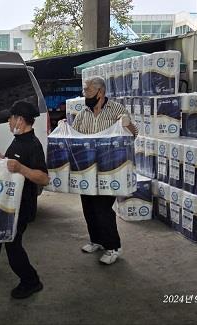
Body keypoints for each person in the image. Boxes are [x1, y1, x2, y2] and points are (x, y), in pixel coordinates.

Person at [0, 101, 49, 299]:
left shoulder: (32, 145)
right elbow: (12, 166)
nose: (8, 121)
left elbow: (43, 177)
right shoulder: (18, 140)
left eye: (11, 117)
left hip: (21, 207)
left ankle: (31, 281)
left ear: (20, 120)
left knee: (12, 246)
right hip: (6, 202)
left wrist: (22, 169)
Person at [72, 76, 137, 265]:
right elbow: (75, 137)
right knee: (89, 207)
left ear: (101, 92)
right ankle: (96, 240)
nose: (85, 94)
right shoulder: (83, 113)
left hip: (109, 170)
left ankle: (113, 246)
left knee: (102, 209)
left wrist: (128, 125)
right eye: (85, 91)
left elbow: (133, 135)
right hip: (87, 170)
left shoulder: (116, 110)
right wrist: (65, 129)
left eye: (88, 91)